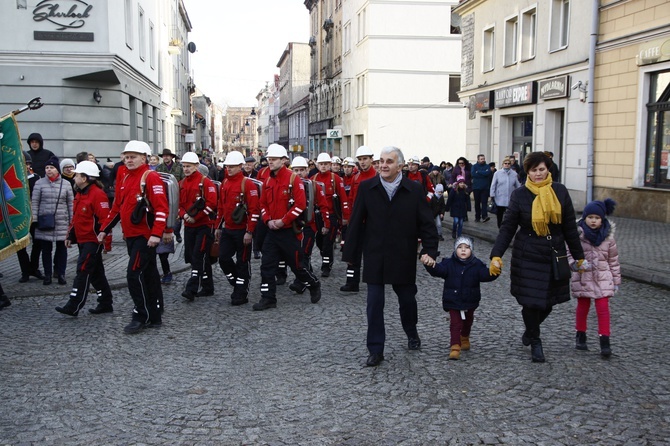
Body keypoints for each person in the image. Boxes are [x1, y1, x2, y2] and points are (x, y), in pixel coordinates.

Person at [343, 146, 439, 367]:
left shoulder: (413, 190)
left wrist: (429, 251)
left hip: (402, 254)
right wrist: (351, 254)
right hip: (375, 253)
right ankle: (375, 349)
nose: (383, 165)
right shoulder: (368, 188)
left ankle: (411, 332)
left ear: (400, 166)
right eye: (381, 161)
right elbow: (356, 222)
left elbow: (426, 224)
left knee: (407, 300)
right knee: (374, 303)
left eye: (389, 162)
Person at [489, 151, 587, 363]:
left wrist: (579, 257)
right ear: (528, 172)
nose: (539, 174)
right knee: (531, 302)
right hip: (528, 253)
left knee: (548, 302)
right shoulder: (520, 194)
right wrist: (496, 254)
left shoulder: (560, 191)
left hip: (554, 253)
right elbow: (508, 228)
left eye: (542, 169)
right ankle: (535, 341)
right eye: (534, 170)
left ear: (548, 168)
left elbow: (570, 226)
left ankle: (530, 329)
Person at [98, 140, 168, 334]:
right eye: (126, 157)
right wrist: (105, 229)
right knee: (149, 274)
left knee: (133, 274)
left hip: (145, 237)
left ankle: (140, 315)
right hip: (130, 235)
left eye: (133, 157)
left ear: (144, 157)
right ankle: (154, 315)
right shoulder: (123, 175)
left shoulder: (151, 177)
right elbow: (117, 207)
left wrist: (156, 234)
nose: (128, 160)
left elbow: (162, 208)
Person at [252, 144, 321, 311]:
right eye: (269, 159)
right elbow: (262, 204)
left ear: (283, 160)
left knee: (297, 265)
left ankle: (312, 284)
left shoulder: (293, 179)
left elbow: (300, 205)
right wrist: (268, 220)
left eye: (274, 159)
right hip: (272, 230)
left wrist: (283, 221)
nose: (270, 162)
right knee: (267, 266)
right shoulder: (267, 180)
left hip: (288, 231)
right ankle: (268, 298)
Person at [424, 236, 498, 360]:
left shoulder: (477, 264)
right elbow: (439, 270)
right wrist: (430, 264)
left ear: (471, 250)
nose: (463, 250)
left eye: (467, 247)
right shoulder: (448, 263)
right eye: (460, 247)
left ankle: (464, 337)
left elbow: (485, 275)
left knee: (467, 321)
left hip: (470, 299)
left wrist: (495, 270)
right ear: (455, 250)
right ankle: (455, 346)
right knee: (455, 323)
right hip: (453, 299)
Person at [54, 161, 114, 316]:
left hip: (93, 241)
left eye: (77, 175)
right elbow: (77, 217)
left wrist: (106, 242)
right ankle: (105, 302)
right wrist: (70, 235)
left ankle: (74, 305)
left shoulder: (97, 194)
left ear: (85, 178)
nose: (74, 177)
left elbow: (105, 220)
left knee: (82, 270)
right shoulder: (80, 193)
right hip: (83, 239)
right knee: (96, 273)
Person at [569, 198, 620, 358]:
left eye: (597, 218)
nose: (593, 221)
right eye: (590, 217)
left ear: (602, 219)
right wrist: (576, 264)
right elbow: (569, 254)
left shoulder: (608, 239)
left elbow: (614, 261)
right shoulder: (578, 235)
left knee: (603, 309)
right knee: (583, 307)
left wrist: (616, 281)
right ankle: (580, 335)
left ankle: (605, 341)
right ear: (585, 218)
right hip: (583, 278)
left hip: (603, 279)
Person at [215, 151, 260, 306]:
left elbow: (254, 210)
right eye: (228, 166)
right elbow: (221, 207)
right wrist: (218, 227)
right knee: (223, 258)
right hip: (228, 229)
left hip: (242, 230)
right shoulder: (225, 183)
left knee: (242, 262)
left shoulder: (248, 184)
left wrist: (249, 231)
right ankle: (237, 283)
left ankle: (241, 292)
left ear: (240, 166)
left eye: (233, 167)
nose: (229, 169)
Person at [178, 152, 218, 301]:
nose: (186, 169)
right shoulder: (181, 183)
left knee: (198, 256)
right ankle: (208, 287)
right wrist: (184, 215)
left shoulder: (205, 182)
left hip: (204, 226)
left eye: (189, 166)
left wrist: (196, 217)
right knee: (196, 257)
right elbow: (179, 204)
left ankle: (192, 288)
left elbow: (212, 204)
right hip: (189, 225)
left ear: (196, 166)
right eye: (184, 166)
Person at [288, 156, 330, 294]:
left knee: (304, 253)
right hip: (293, 226)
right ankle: (308, 276)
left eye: (301, 170)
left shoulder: (314, 186)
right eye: (296, 170)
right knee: (297, 255)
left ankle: (301, 282)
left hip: (309, 226)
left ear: (307, 170)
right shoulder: (289, 185)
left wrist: (326, 224)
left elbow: (324, 206)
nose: (299, 173)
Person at [32, 156, 74, 286]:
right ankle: (48, 275)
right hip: (45, 221)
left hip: (62, 221)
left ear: (57, 170)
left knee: (62, 249)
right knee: (46, 249)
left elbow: (71, 204)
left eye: (51, 167)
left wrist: (72, 221)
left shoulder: (66, 184)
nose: (49, 170)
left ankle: (61, 273)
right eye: (47, 167)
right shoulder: (39, 183)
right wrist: (34, 219)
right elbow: (35, 202)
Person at [340, 145, 377, 293]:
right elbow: (350, 200)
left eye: (365, 159)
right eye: (360, 159)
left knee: (372, 254)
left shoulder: (378, 177)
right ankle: (352, 283)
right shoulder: (356, 177)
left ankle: (374, 281)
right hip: (356, 222)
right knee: (352, 254)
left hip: (372, 223)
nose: (362, 162)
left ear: (371, 160)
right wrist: (349, 218)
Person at [311, 152, 350, 277]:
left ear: (330, 164)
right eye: (321, 164)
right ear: (317, 165)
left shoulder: (336, 179)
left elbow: (343, 199)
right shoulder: (314, 179)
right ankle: (325, 256)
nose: (323, 166)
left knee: (328, 242)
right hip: (318, 215)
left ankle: (326, 266)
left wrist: (345, 217)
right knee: (319, 242)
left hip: (332, 215)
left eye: (326, 164)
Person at [17, 151, 46, 283]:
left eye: (28, 163)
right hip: (20, 215)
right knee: (21, 245)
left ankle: (33, 268)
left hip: (34, 215)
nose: (27, 166)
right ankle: (25, 271)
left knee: (38, 242)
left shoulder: (36, 178)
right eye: (24, 163)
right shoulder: (15, 179)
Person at [156, 148, 184, 243]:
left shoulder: (179, 167)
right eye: (164, 156)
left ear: (171, 157)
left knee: (177, 215)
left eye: (167, 156)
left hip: (176, 194)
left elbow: (183, 180)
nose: (165, 157)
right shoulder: (159, 168)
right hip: (164, 195)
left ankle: (177, 232)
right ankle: (165, 230)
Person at [489, 156, 521, 228]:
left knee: (510, 213)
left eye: (509, 163)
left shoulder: (514, 174)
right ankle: (499, 226)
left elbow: (517, 185)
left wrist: (519, 194)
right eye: (505, 163)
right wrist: (492, 194)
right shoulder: (497, 173)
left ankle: (508, 226)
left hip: (510, 196)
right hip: (500, 196)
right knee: (500, 213)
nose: (507, 165)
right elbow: (493, 184)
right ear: (502, 164)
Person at [471, 154, 492, 222]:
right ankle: (477, 217)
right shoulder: (474, 166)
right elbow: (473, 174)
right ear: (478, 160)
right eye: (481, 159)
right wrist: (483, 173)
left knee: (484, 202)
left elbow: (488, 173)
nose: (483, 160)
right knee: (477, 203)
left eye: (483, 159)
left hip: (485, 187)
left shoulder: (487, 166)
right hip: (476, 187)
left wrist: (479, 172)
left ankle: (484, 216)